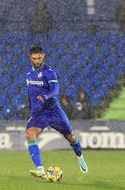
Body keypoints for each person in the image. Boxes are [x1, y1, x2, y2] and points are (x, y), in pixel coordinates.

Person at [25, 46, 88, 178]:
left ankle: (80, 156)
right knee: (30, 134)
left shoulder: (49, 72)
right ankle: (40, 169)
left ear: (44, 56)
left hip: (53, 111)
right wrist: (32, 107)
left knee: (71, 137)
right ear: (30, 58)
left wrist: (45, 97)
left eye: (39, 58)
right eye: (34, 58)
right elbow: (31, 92)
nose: (37, 61)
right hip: (39, 113)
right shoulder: (28, 72)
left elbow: (55, 90)